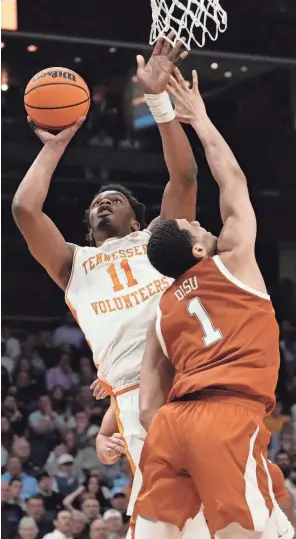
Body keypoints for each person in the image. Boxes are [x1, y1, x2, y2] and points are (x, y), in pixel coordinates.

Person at [12, 34, 197, 521]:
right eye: (96, 202)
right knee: (166, 513)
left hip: (193, 370)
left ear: (137, 221)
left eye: (114, 198)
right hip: (135, 394)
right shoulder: (74, 264)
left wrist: (157, 100)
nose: (102, 201)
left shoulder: (157, 240)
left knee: (225, 503)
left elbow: (184, 181)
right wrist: (57, 145)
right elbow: (25, 209)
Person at [132, 67, 294, 539]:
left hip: (170, 426)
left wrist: (178, 436)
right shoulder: (235, 262)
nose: (205, 225)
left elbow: (147, 407)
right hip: (226, 416)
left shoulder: (160, 313)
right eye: (196, 228)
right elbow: (234, 182)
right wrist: (200, 118)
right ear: (199, 250)